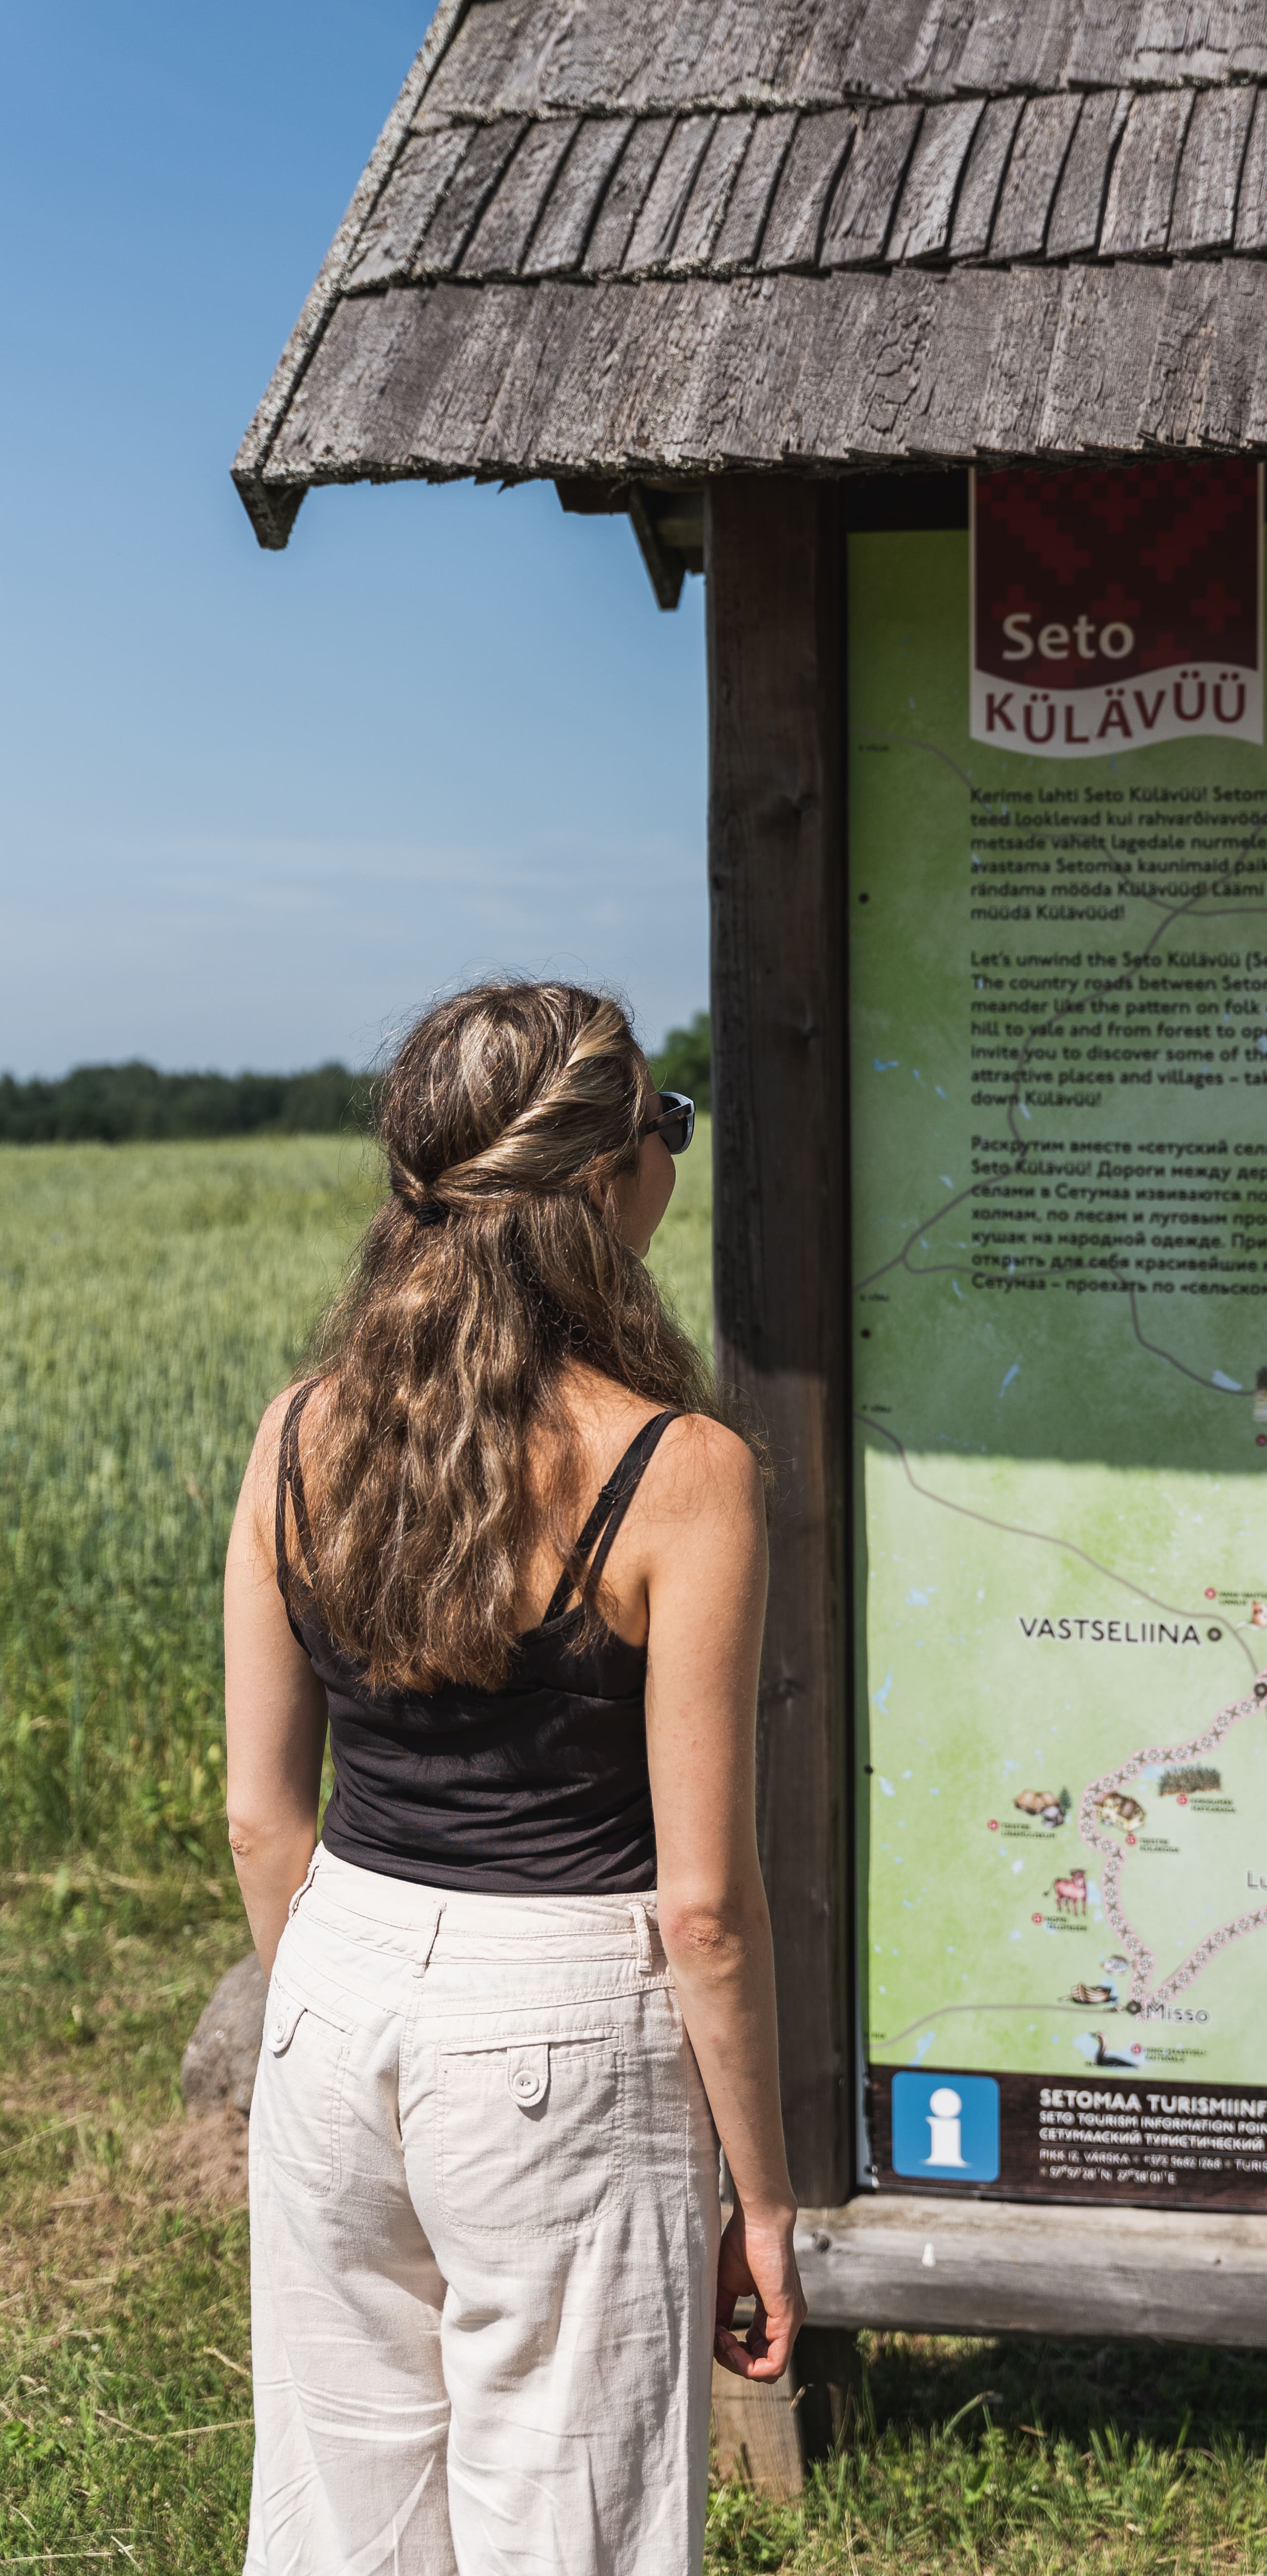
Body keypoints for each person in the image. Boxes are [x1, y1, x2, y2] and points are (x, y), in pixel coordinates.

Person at [222, 981, 803, 2575]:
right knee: (573, 2532)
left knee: (343, 2522)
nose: (673, 1155)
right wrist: (764, 2196)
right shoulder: (679, 1473)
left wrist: (346, 2017)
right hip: (564, 2026)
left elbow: (263, 1817)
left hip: (330, 1999)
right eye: (663, 1124)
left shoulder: (297, 1438)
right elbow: (705, 1912)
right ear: (606, 1181)